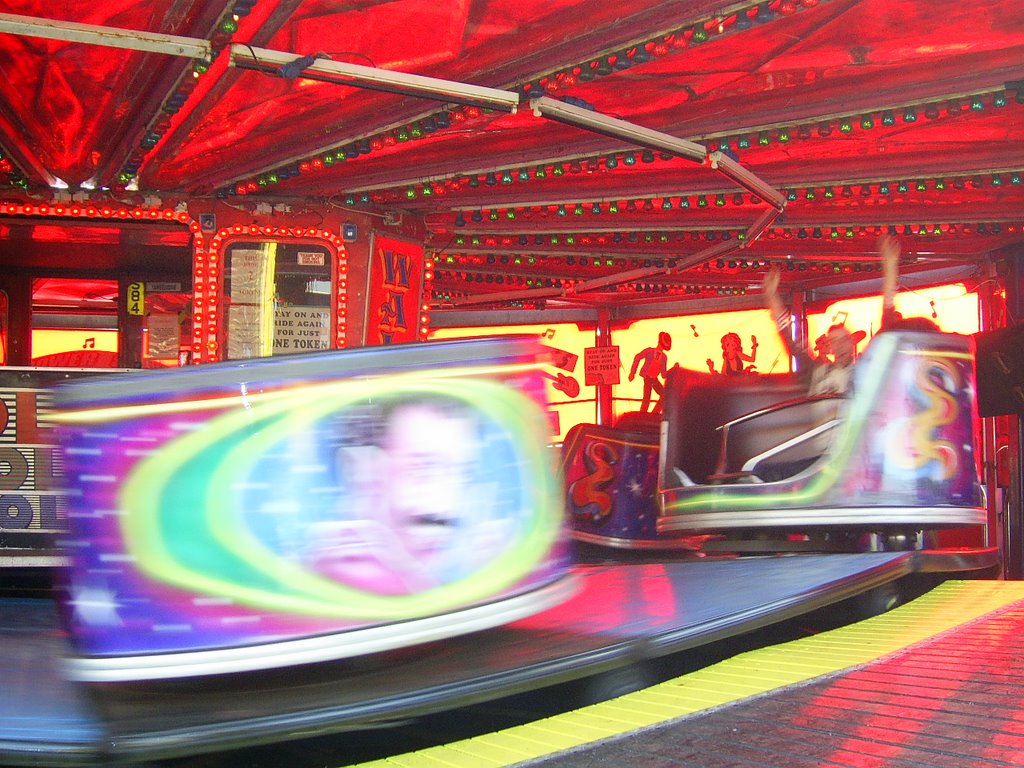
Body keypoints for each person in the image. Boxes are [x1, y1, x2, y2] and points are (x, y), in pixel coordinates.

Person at [306, 396, 510, 595]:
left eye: (465, 473)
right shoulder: (340, 577)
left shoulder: (477, 561)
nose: (449, 501)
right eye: (423, 470)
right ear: (365, 472)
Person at [763, 268, 865, 395]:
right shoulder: (818, 373)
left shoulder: (864, 375)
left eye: (843, 339)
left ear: (851, 342)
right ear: (830, 347)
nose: (840, 345)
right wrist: (772, 295)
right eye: (834, 341)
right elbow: (792, 343)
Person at [629, 331, 672, 413]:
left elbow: (664, 374)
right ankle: (642, 416)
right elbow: (637, 357)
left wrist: (673, 369)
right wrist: (632, 373)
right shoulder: (649, 351)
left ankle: (655, 413)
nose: (661, 347)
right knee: (646, 399)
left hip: (654, 379)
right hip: (647, 377)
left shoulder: (664, 357)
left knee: (665, 395)